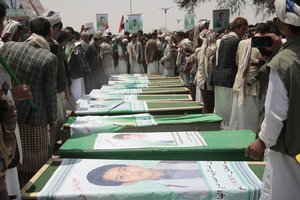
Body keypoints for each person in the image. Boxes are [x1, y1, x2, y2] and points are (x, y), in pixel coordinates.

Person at [246, 0, 300, 199]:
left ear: (282, 24)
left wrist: (262, 141)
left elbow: (275, 113)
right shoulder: (283, 57)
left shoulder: (283, 62)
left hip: (289, 152)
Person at [0, 17, 58, 186]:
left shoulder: (8, 47)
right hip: (35, 119)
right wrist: (52, 118)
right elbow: (49, 94)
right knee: (37, 168)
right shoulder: (49, 58)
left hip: (9, 118)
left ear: (29, 31)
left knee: (13, 163)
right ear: (48, 34)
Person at [87, 161, 208, 199]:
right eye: (121, 177)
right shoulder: (183, 194)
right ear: (128, 183)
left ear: (131, 164)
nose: (130, 173)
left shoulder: (172, 159)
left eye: (123, 169)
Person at [229, 23, 270, 132]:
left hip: (240, 80)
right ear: (265, 33)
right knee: (252, 115)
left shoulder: (242, 42)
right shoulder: (263, 44)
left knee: (239, 113)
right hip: (253, 84)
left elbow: (238, 61)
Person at [211, 17, 248, 129]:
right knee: (229, 111)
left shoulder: (221, 40)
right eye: (243, 29)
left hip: (217, 78)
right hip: (229, 79)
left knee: (219, 109)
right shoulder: (238, 42)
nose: (245, 32)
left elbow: (214, 60)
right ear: (237, 27)